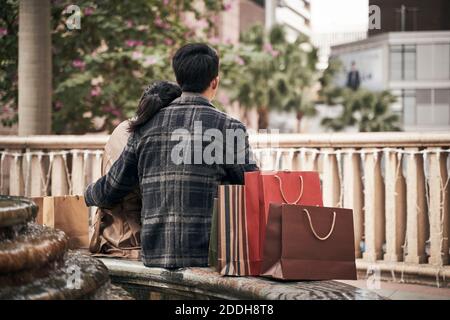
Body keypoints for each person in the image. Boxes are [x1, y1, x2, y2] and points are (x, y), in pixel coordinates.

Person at [85, 43, 258, 268]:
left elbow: (112, 188)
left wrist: (86, 195)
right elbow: (254, 188)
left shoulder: (145, 126)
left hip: (154, 253)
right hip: (209, 256)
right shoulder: (228, 127)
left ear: (179, 80)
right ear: (214, 81)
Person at [89, 81, 182, 259]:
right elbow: (112, 188)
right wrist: (88, 194)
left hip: (124, 236)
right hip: (130, 243)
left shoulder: (128, 128)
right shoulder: (143, 135)